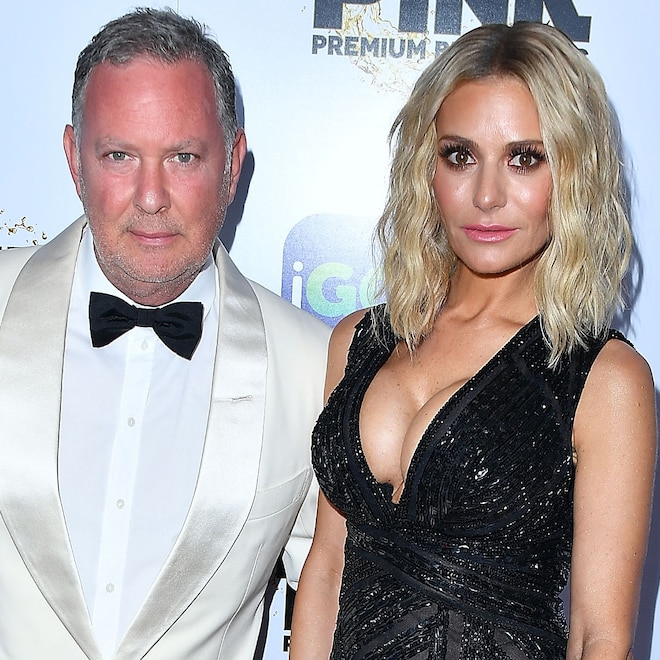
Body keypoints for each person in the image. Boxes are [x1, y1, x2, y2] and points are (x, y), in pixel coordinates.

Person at [289, 21, 656, 660]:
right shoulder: (359, 340)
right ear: (426, 169)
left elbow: (600, 636)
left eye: (525, 158)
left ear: (573, 174)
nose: (486, 196)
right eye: (460, 156)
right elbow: (326, 569)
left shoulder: (603, 379)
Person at [0, 8, 329, 660]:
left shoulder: (314, 365)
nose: (150, 197)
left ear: (232, 165)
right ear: (73, 159)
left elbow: (336, 599)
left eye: (183, 157)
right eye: (119, 155)